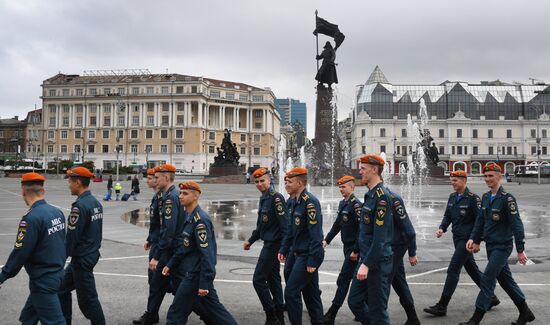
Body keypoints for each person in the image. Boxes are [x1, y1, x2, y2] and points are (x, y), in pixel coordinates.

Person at [460, 164, 535, 325]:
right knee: (506, 281)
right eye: (485, 176)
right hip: (491, 246)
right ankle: (525, 312)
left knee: (487, 279)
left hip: (502, 247)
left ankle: (475, 319)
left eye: (491, 176)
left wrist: (520, 250)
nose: (487, 179)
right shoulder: (486, 197)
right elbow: (481, 221)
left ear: (499, 176)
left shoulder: (507, 199)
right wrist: (475, 239)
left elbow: (517, 225)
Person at [425, 170, 499, 317]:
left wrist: (477, 239)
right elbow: (448, 215)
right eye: (451, 181)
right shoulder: (452, 197)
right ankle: (491, 297)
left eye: (455, 181)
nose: (452, 183)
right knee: (472, 269)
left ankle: (442, 305)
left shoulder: (473, 199)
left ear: (464, 181)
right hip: (457, 238)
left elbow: (481, 220)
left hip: (467, 241)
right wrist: (442, 228)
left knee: (453, 269)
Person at [163, 181, 237, 325]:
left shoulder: (200, 221)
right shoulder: (188, 217)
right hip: (192, 273)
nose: (180, 196)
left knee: (175, 314)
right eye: (180, 193)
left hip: (195, 276)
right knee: (215, 312)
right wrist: (171, 264)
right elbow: (184, 247)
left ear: (196, 196)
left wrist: (204, 282)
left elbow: (207, 255)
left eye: (185, 193)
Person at [0, 172, 66, 325]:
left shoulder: (31, 219)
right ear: (43, 191)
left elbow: (20, 252)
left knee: (55, 322)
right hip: (57, 273)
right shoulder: (57, 212)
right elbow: (62, 242)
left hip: (43, 279)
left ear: (23, 191)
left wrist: (3, 275)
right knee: (28, 318)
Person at [134, 164, 184, 325]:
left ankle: (210, 313)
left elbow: (169, 230)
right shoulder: (163, 196)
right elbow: (158, 224)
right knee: (158, 282)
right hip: (165, 246)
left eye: (156, 177)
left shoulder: (170, 197)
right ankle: (151, 315)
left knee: (180, 286)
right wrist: (150, 238)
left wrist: (157, 255)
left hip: (169, 248)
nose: (154, 180)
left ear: (167, 177)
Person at [347, 154, 393, 325]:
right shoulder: (370, 195)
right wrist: (358, 251)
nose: (360, 172)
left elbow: (379, 238)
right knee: (354, 301)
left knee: (378, 310)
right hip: (365, 258)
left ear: (374, 170)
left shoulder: (382, 197)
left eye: (363, 169)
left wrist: (366, 264)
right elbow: (365, 231)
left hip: (377, 262)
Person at [59, 166, 105, 325]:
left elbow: (71, 238)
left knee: (89, 300)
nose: (69, 185)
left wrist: (59, 261)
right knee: (61, 289)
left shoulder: (79, 207)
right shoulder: (95, 203)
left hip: (82, 259)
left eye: (70, 182)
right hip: (90, 254)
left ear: (78, 182)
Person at [278, 167, 324, 325]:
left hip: (306, 255)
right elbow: (291, 230)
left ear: (299, 182)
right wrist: (284, 248)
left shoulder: (310, 203)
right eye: (286, 181)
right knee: (311, 294)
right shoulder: (293, 201)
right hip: (295, 253)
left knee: (291, 293)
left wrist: (313, 260)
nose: (286, 184)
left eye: (290, 182)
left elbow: (316, 235)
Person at [243, 167, 288, 325]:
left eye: (262, 181)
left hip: (273, 246)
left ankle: (271, 315)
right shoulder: (264, 198)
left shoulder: (276, 198)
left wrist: (283, 249)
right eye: (257, 181)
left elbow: (285, 227)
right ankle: (279, 309)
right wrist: (251, 240)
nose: (260, 184)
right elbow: (261, 225)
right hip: (269, 243)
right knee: (273, 277)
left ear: (270, 180)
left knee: (258, 279)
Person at [322, 175, 362, 324]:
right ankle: (364, 309)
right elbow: (338, 225)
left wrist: (356, 250)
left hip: (354, 249)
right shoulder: (343, 204)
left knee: (343, 279)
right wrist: (326, 240)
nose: (341, 189)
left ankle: (332, 314)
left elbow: (362, 230)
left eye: (343, 186)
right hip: (348, 248)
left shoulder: (356, 205)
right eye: (339, 187)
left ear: (352, 187)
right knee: (360, 280)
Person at [387, 189, 420, 325]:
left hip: (394, 248)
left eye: (364, 169)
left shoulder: (393, 198)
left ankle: (375, 315)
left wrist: (412, 253)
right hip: (388, 247)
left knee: (382, 283)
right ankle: (412, 318)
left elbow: (409, 230)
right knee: (399, 282)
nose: (361, 172)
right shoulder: (374, 196)